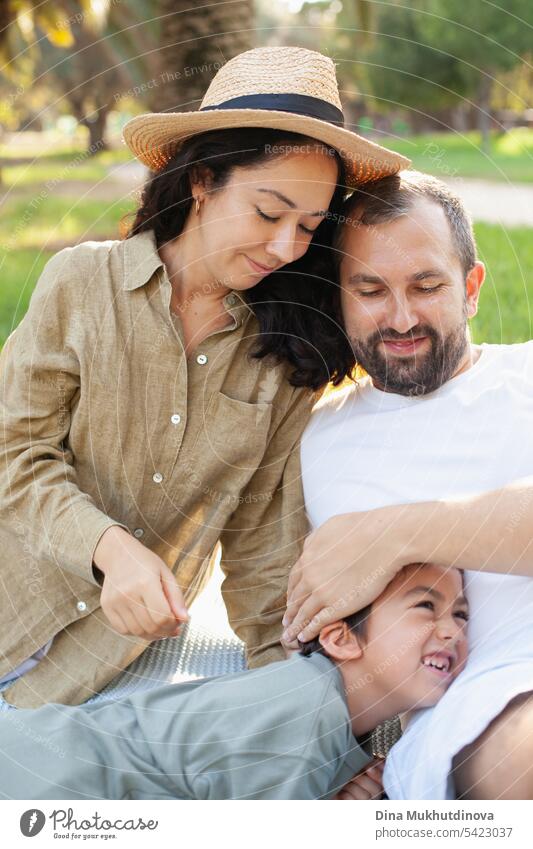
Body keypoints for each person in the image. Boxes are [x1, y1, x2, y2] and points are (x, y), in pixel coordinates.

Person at [0, 46, 407, 710]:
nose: (285, 249)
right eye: (268, 212)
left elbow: (260, 548)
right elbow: (13, 453)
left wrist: (302, 710)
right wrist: (109, 548)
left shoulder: (286, 355)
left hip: (96, 679)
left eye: (308, 226)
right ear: (202, 181)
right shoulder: (82, 283)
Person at [284, 170, 533, 799]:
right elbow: (293, 624)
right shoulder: (315, 442)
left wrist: (390, 534)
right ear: (339, 296)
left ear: (472, 288)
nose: (400, 318)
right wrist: (331, 760)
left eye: (426, 287)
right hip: (489, 708)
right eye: (370, 290)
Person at [0, 561, 467, 800]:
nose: (453, 629)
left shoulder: (335, 722)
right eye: (426, 606)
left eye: (463, 616)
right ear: (341, 638)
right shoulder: (305, 709)